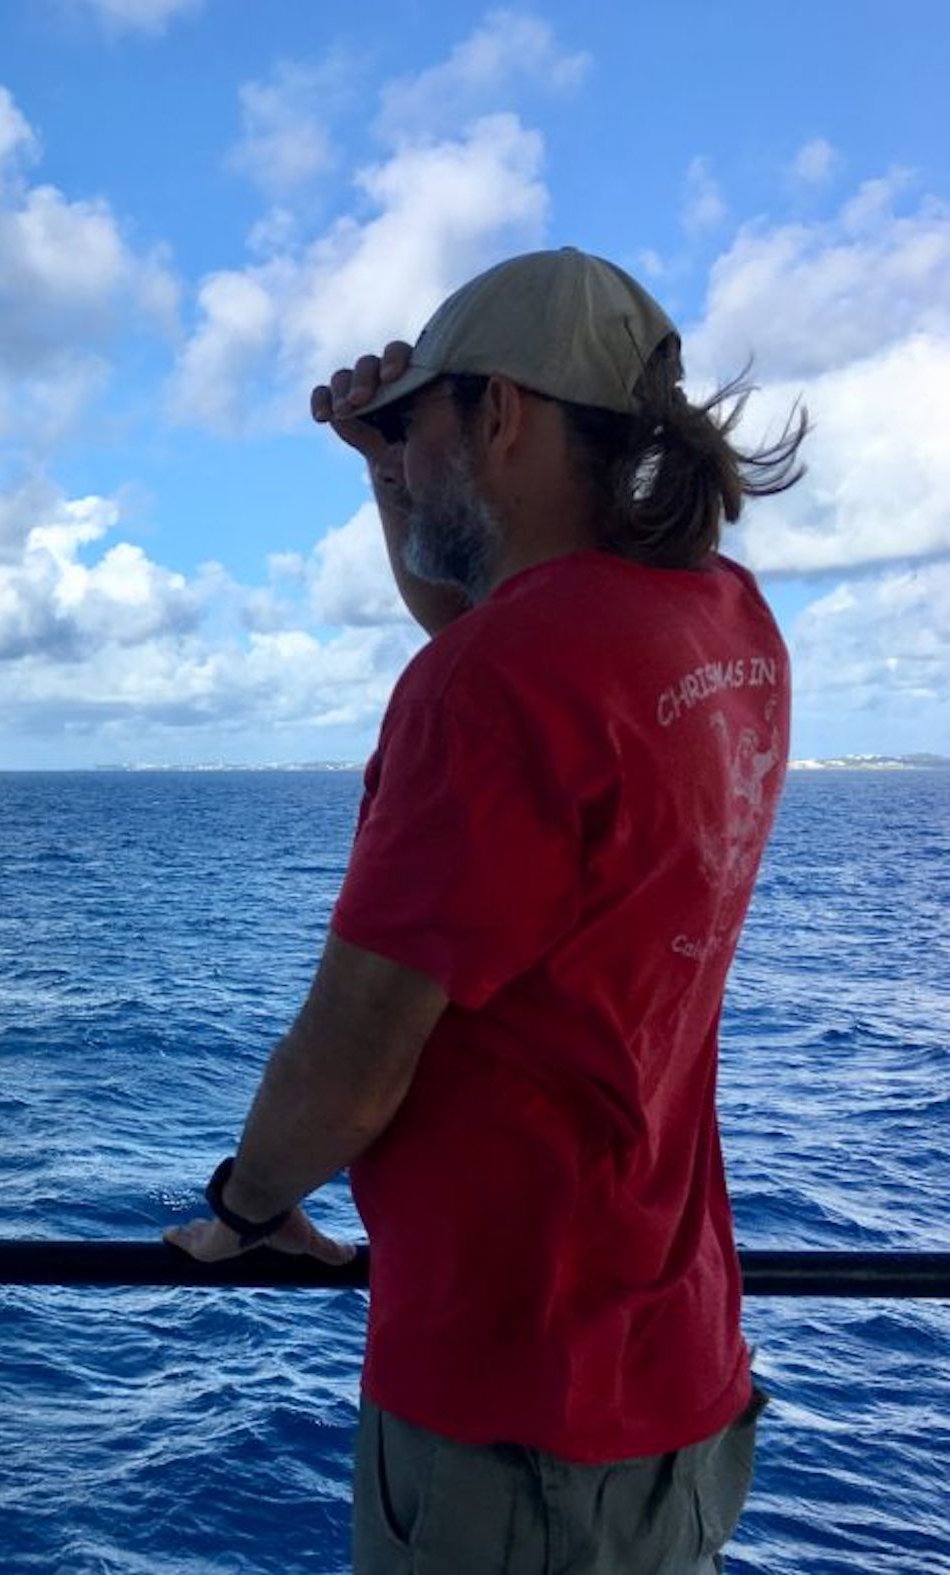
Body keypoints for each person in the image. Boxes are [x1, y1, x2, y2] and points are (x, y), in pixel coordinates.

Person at [165, 247, 809, 1572]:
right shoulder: (724, 626)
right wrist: (391, 467)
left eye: (426, 415)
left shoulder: (496, 683)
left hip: (514, 1415)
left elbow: (350, 1062)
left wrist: (247, 1207)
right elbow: (492, 628)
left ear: (503, 412)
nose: (407, 444)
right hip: (674, 1375)